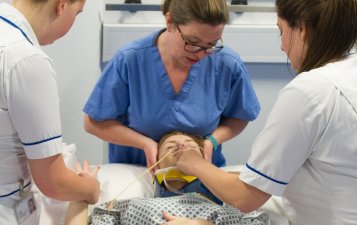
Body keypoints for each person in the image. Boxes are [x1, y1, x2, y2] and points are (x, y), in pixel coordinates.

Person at [169, 0, 357, 224]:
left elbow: (245, 197)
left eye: (281, 31)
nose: (281, 46)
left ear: (301, 29)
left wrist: (192, 163)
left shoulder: (309, 91)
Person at [82, 0, 260, 170]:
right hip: (139, 174)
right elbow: (93, 122)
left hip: (201, 179)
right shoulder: (131, 60)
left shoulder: (227, 64)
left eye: (211, 44)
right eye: (193, 42)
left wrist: (212, 141)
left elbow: (240, 115)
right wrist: (144, 143)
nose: (200, 54)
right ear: (170, 21)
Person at [0, 0, 100, 224]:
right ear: (61, 5)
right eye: (78, 13)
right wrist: (91, 189)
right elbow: (53, 182)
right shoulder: (25, 60)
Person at [63, 132, 268, 225]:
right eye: (170, 146)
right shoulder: (128, 208)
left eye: (190, 145)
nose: (181, 147)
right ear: (155, 166)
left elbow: (250, 185)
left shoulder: (237, 210)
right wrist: (82, 194)